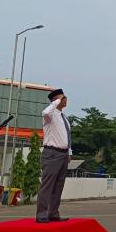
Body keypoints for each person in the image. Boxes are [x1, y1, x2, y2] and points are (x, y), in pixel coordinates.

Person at [36, 88, 72, 223]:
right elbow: (45, 111)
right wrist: (56, 101)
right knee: (47, 185)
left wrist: (69, 153)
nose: (65, 99)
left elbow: (67, 136)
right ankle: (42, 215)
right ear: (55, 100)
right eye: (62, 98)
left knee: (58, 186)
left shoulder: (64, 118)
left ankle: (53, 213)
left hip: (63, 154)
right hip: (52, 153)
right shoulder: (50, 115)